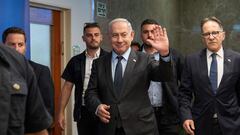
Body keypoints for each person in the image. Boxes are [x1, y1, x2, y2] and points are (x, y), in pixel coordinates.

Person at [85, 18, 172, 135]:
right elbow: (90, 92)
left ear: (132, 35)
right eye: (115, 35)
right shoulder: (99, 63)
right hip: (109, 128)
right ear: (108, 37)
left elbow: (164, 76)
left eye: (124, 35)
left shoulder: (145, 59)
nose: (120, 40)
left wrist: (164, 54)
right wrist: (97, 106)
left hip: (141, 128)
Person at [179, 16, 240, 135]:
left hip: (232, 124)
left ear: (223, 35)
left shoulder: (237, 59)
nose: (211, 37)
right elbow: (184, 94)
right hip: (200, 124)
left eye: (215, 33)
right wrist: (186, 116)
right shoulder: (191, 61)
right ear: (203, 38)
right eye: (207, 34)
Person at [58, 22, 108, 135]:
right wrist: (60, 112)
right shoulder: (75, 61)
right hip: (83, 111)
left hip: (104, 111)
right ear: (83, 38)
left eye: (96, 34)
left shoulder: (109, 59)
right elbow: (67, 87)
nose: (93, 38)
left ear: (101, 37)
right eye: (89, 35)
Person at [2, 27, 55, 127]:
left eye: (20, 45)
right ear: (3, 46)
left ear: (25, 47)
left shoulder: (41, 71)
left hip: (32, 130)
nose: (16, 49)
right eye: (12, 44)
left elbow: (48, 108)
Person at [141, 19, 184, 135]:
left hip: (169, 114)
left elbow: (185, 85)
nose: (149, 35)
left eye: (153, 31)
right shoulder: (134, 57)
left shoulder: (174, 56)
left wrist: (181, 106)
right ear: (140, 34)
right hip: (142, 115)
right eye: (145, 32)